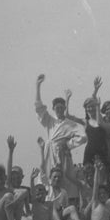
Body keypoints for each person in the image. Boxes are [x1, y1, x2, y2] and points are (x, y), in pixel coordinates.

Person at [34, 74, 86, 202]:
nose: (59, 109)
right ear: (53, 109)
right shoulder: (50, 121)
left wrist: (68, 144)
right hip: (49, 152)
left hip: (62, 153)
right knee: (47, 177)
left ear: (64, 108)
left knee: (64, 178)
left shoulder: (71, 124)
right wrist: (38, 86)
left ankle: (65, 204)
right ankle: (46, 201)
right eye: (57, 108)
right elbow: (39, 108)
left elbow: (83, 137)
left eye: (61, 107)